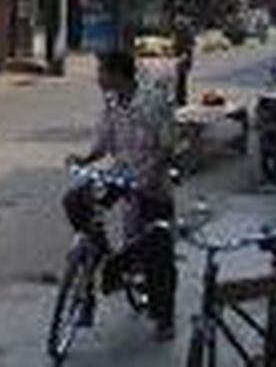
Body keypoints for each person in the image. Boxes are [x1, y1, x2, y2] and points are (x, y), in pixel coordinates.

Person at [69, 50, 178, 342]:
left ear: (118, 74)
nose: (97, 78)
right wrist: (84, 159)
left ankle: (164, 318)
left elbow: (167, 147)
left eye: (101, 72)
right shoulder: (112, 103)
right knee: (76, 200)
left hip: (151, 182)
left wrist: (150, 177)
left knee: (157, 249)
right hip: (121, 176)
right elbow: (103, 144)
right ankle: (105, 263)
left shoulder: (154, 101)